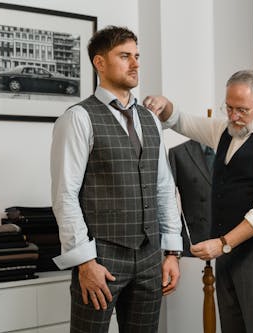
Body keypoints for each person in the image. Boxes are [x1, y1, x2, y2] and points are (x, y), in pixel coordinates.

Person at [145, 70, 253, 333]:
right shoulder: (224, 131)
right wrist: (164, 104)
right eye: (228, 108)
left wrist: (222, 244)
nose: (233, 116)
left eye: (241, 110)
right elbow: (182, 121)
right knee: (231, 327)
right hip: (227, 252)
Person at [50, 26, 183, 332]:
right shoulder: (78, 118)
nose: (135, 64)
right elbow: (65, 195)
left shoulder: (150, 119)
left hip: (151, 258)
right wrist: (84, 262)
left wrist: (172, 251)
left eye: (137, 56)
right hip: (101, 258)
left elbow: (164, 187)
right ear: (99, 63)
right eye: (125, 56)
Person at [168, 140, 214, 256]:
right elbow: (168, 201)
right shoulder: (178, 153)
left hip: (233, 239)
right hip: (193, 239)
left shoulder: (239, 148)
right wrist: (171, 250)